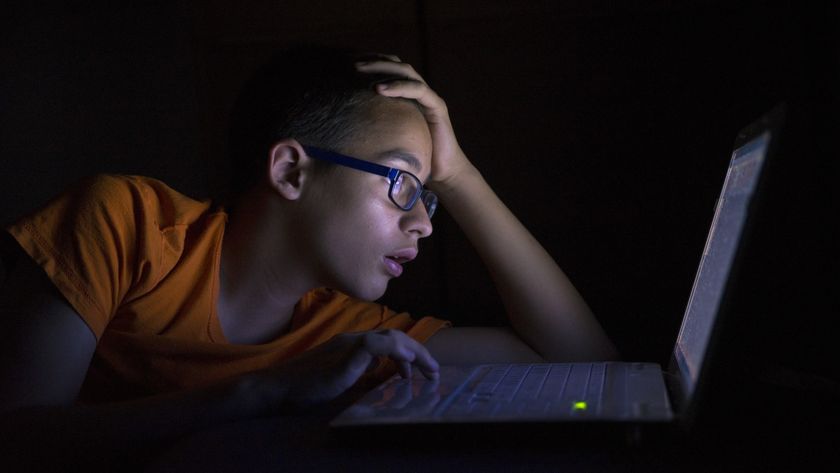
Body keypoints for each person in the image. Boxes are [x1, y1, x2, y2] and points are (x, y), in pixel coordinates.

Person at [0, 45, 617, 469]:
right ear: (292, 170)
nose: (425, 222)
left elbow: (586, 366)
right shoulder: (123, 223)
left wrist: (459, 174)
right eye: (401, 183)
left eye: (431, 195)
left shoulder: (340, 330)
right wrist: (258, 393)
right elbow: (17, 440)